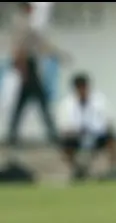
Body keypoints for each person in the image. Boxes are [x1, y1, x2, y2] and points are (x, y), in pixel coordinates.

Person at [7, 2, 66, 147]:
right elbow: (20, 47)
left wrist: (57, 54)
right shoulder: (22, 24)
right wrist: (23, 69)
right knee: (40, 101)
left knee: (23, 104)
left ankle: (13, 135)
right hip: (27, 65)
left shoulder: (26, 23)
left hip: (29, 65)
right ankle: (52, 133)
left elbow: (39, 44)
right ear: (27, 8)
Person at [57, 73, 116, 181]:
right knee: (64, 144)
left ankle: (114, 168)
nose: (82, 90)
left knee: (112, 139)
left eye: (84, 87)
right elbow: (64, 126)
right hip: (77, 137)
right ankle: (78, 171)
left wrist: (98, 129)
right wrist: (76, 132)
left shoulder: (100, 100)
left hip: (97, 135)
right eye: (79, 88)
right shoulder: (67, 104)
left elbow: (109, 120)